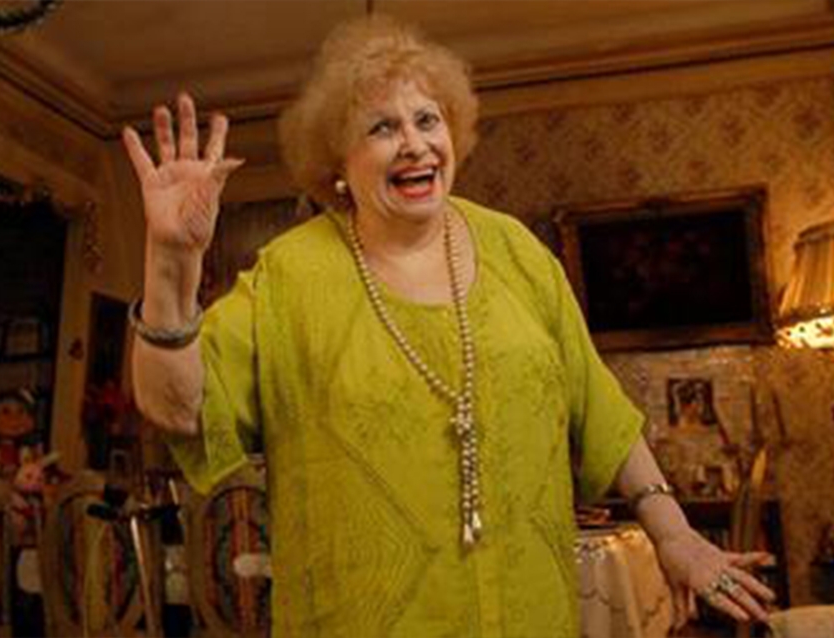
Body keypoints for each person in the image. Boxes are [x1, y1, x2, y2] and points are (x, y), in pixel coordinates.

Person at [123, 15, 775, 638]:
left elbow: (596, 404)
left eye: (427, 119)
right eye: (382, 127)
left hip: (528, 611)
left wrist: (674, 533)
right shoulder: (291, 275)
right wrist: (171, 264)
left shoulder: (516, 251)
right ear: (338, 165)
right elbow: (178, 409)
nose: (414, 143)